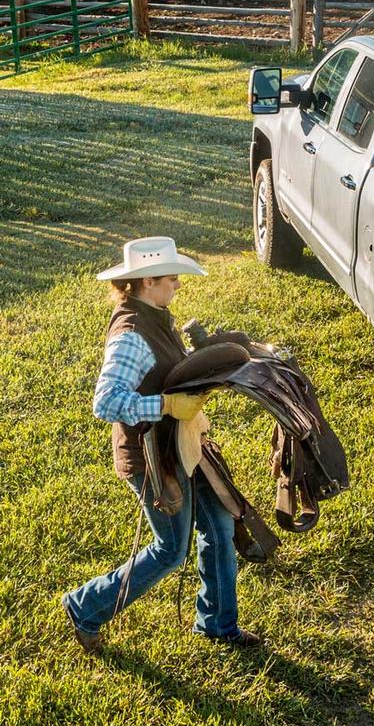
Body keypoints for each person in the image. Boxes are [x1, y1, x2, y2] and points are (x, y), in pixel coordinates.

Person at [61, 236, 261, 653]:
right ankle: (85, 606)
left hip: (182, 445)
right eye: (171, 279)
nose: (177, 286)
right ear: (147, 281)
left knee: (221, 525)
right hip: (151, 457)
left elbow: (164, 367)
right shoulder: (131, 334)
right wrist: (168, 403)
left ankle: (218, 624)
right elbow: (107, 401)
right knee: (170, 550)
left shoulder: (155, 313)